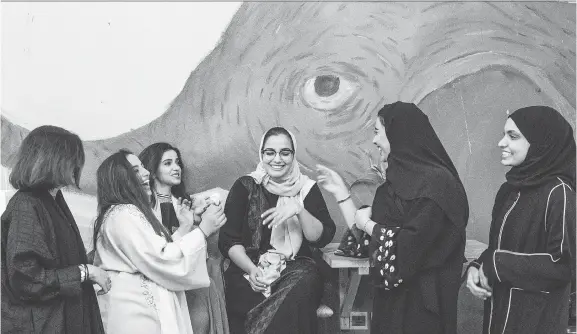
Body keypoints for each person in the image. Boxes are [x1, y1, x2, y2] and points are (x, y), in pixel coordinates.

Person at [317, 101, 469, 334]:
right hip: (391, 303)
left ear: (398, 133)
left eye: (378, 132)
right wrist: (341, 194)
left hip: (426, 307)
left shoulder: (438, 186)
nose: (375, 141)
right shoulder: (392, 186)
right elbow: (367, 242)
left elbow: (409, 246)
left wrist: (368, 224)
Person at [466, 106, 576, 334]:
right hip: (498, 314)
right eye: (504, 134)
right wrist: (476, 268)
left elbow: (563, 267)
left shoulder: (559, 193)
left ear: (540, 144)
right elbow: (498, 250)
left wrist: (497, 264)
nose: (501, 143)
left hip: (535, 322)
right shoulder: (509, 190)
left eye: (512, 136)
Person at [92, 150, 227, 334]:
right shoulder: (124, 214)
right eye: (136, 170)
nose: (146, 172)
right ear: (120, 179)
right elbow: (162, 259)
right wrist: (203, 231)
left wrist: (185, 227)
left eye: (143, 167)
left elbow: (159, 252)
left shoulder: (124, 213)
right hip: (137, 313)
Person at [218, 127, 336, 334]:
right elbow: (228, 240)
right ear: (262, 155)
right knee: (250, 294)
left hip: (296, 270)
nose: (277, 159)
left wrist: (299, 210)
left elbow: (321, 237)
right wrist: (252, 270)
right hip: (250, 269)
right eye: (270, 152)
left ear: (293, 155)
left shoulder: (306, 188)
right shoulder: (245, 186)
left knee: (299, 288)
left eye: (285, 152)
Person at [1, 125, 108, 333]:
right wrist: (85, 272)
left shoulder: (53, 201)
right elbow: (26, 279)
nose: (77, 165)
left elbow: (57, 262)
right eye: (71, 157)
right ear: (51, 159)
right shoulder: (26, 205)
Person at [139, 142, 229, 334]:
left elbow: (198, 251)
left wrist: (196, 222)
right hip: (161, 285)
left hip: (193, 282)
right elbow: (159, 253)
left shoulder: (187, 204)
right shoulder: (140, 209)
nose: (176, 168)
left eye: (177, 162)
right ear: (152, 170)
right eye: (168, 163)